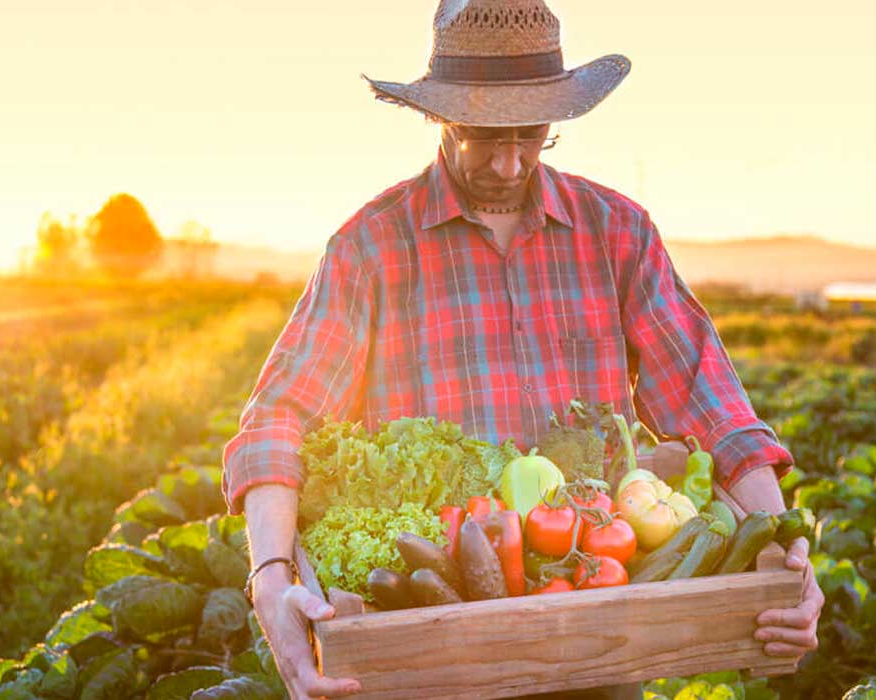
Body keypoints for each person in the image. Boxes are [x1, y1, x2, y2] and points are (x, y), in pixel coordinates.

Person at [222, 1, 825, 697]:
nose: (510, 162)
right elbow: (278, 419)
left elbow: (709, 401)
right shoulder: (373, 246)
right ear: (439, 117)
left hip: (594, 622)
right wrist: (270, 580)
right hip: (428, 638)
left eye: (533, 134)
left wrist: (784, 544)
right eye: (482, 135)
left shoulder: (617, 233)